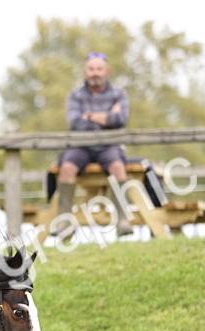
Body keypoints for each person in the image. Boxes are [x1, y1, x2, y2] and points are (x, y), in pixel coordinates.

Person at [56, 52, 133, 236]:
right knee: (66, 167)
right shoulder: (75, 94)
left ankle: (122, 219)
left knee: (118, 166)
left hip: (109, 146)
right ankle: (64, 222)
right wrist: (106, 117)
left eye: (99, 69)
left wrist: (90, 116)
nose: (95, 73)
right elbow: (74, 122)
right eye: (91, 69)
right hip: (80, 146)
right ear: (85, 71)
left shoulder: (119, 93)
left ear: (107, 71)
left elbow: (121, 119)